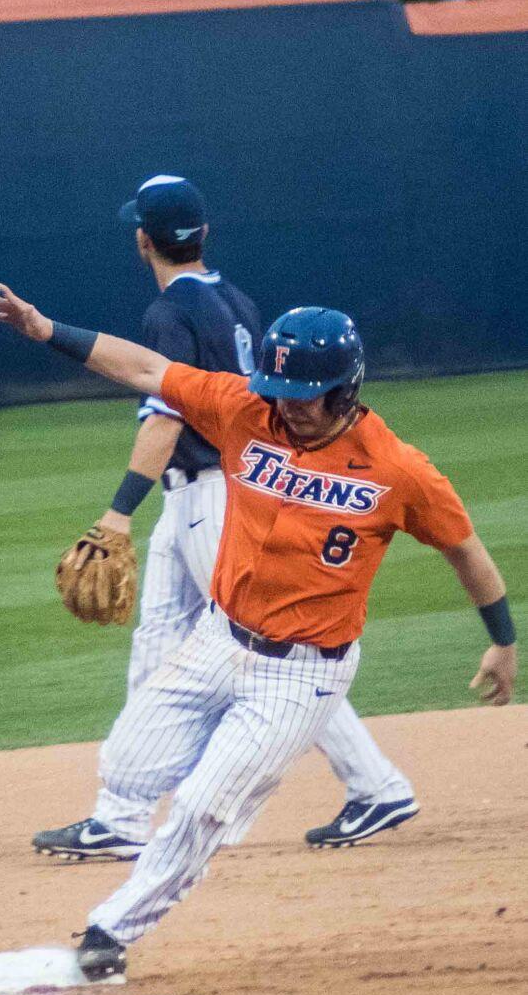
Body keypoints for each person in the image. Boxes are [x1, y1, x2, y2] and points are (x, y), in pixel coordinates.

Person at [0, 282, 515, 980]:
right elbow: (146, 368)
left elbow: (463, 547)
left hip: (302, 674)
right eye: (280, 387)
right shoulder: (245, 409)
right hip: (216, 639)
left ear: (346, 390)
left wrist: (501, 639)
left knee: (202, 805)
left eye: (306, 392)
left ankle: (111, 930)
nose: (289, 403)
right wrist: (46, 327)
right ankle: (223, 796)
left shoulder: (395, 469)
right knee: (127, 763)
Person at [34, 176, 417, 862]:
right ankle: (119, 815)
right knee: (158, 636)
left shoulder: (167, 314)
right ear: (202, 234)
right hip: (198, 496)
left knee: (268, 648)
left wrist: (117, 512)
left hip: (217, 496)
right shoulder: (233, 299)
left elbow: (167, 409)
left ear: (141, 239)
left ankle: (375, 783)